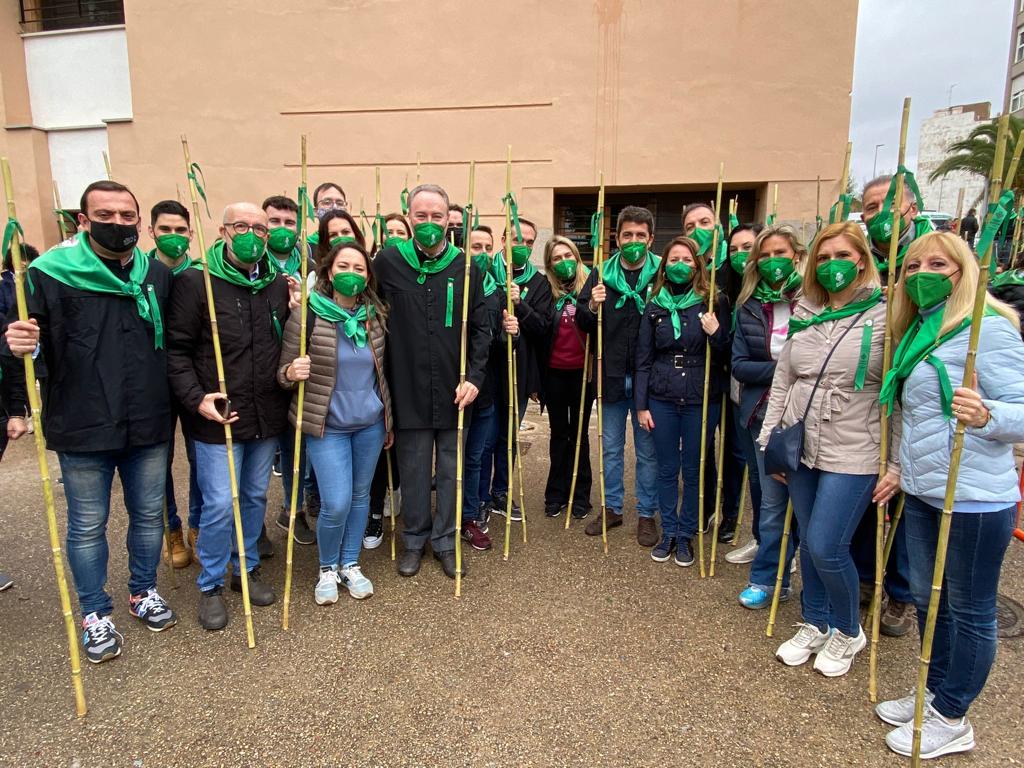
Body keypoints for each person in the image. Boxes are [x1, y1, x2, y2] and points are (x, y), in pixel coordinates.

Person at [4, 180, 178, 663]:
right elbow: (29, 344)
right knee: (87, 524)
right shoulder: (48, 275)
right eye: (106, 215)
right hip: (82, 422)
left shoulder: (154, 275)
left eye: (127, 216)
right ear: (82, 221)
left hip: (147, 420)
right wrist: (20, 343)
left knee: (148, 517)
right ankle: (94, 612)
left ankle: (143, 590)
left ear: (138, 223)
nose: (118, 224)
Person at [876, 232, 1024, 759]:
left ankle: (954, 712)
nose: (922, 273)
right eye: (912, 265)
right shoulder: (920, 330)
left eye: (937, 263)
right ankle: (932, 693)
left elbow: (1020, 409)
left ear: (963, 271)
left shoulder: (989, 331)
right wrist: (897, 467)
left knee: (968, 609)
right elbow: (915, 416)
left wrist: (990, 415)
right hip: (923, 490)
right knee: (926, 599)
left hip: (974, 497)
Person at [761, 221, 899, 677]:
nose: (832, 265)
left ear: (862, 259)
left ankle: (848, 629)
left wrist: (896, 461)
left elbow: (897, 392)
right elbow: (784, 379)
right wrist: (770, 440)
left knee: (826, 544)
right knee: (807, 538)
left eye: (842, 255)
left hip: (855, 446)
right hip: (801, 442)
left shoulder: (887, 313)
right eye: (823, 257)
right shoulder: (805, 310)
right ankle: (815, 620)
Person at [166, 202, 291, 630]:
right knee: (221, 503)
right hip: (218, 416)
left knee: (255, 496)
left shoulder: (276, 284)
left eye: (260, 228)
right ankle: (211, 584)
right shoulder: (196, 282)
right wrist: (196, 397)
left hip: (266, 413)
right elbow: (176, 351)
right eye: (243, 226)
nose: (253, 235)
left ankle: (246, 567)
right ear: (223, 231)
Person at [372, 184, 490, 578]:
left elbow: (481, 329)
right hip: (408, 386)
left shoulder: (467, 266)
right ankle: (415, 540)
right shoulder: (387, 263)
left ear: (448, 220)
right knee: (415, 469)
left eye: (436, 216)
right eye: (420, 216)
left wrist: (474, 377)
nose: (428, 223)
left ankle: (446, 540)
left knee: (453, 471)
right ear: (408, 217)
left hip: (456, 390)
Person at [278, 241, 392, 603]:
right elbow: (281, 374)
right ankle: (326, 568)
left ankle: (349, 563)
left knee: (360, 497)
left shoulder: (375, 315)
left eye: (360, 268)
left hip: (370, 424)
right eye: (344, 266)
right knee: (336, 501)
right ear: (329, 272)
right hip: (328, 426)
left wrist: (387, 418)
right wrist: (291, 372)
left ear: (368, 276)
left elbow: (382, 373)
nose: (352, 274)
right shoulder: (308, 314)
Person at [857, 173, 932, 637]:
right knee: (867, 496)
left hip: (915, 405)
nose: (879, 215)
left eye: (887, 204)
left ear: (911, 208)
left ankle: (901, 594)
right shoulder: (861, 265)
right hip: (867, 402)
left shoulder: (929, 262)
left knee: (905, 502)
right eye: (869, 208)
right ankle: (867, 577)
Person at [636, 235, 730, 566]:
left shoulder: (712, 300)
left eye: (687, 260)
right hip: (661, 396)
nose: (680, 265)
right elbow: (643, 358)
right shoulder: (655, 304)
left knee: (692, 469)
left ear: (697, 265)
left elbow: (727, 353)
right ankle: (670, 531)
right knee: (666, 468)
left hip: (699, 398)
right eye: (674, 259)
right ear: (664, 266)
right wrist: (641, 405)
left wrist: (716, 333)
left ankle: (687, 534)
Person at [577, 206, 660, 545]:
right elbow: (583, 324)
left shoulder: (661, 275)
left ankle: (646, 514)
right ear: (616, 238)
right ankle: (612, 508)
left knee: (647, 451)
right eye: (628, 235)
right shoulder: (600, 274)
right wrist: (593, 306)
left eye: (641, 236)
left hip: (648, 380)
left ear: (651, 239)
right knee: (610, 448)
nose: (634, 241)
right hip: (610, 374)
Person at [730, 226, 804, 607]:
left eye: (780, 252)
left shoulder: (814, 300)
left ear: (796, 254)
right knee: (772, 501)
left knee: (810, 507)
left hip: (812, 417)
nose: (772, 261)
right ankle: (769, 578)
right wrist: (785, 369)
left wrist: (791, 368)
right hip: (764, 414)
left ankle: (822, 591)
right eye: (765, 254)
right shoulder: (749, 306)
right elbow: (740, 364)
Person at [683, 203, 745, 542]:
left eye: (705, 223)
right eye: (690, 226)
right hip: (702, 376)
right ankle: (705, 506)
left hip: (736, 372)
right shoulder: (691, 269)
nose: (698, 231)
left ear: (719, 226)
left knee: (735, 450)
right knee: (702, 446)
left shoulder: (735, 267)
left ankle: (731, 514)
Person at [148, 200, 202, 568]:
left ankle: (199, 525)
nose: (173, 237)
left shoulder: (200, 275)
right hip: (154, 383)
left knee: (202, 458)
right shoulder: (140, 274)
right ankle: (171, 529)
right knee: (159, 461)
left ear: (191, 233)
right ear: (150, 231)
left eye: (180, 230)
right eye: (165, 230)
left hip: (197, 382)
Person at [488, 216, 553, 521]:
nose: (522, 246)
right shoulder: (484, 271)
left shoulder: (538, 282)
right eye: (517, 239)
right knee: (482, 437)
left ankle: (501, 492)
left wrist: (521, 305)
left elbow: (542, 327)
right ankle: (476, 496)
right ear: (503, 240)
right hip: (486, 371)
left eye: (529, 242)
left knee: (507, 437)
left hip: (520, 372)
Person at [261, 194, 316, 548]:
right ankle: (252, 532)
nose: (283, 229)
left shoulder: (310, 262)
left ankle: (293, 511)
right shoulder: (252, 264)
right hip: (262, 374)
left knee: (298, 452)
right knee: (260, 458)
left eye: (289, 222)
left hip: (301, 373)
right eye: (274, 222)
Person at [541, 236, 594, 519]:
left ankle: (581, 495)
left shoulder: (591, 287)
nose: (564, 262)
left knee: (580, 435)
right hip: (555, 374)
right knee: (559, 434)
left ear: (577, 256)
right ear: (550, 264)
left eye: (568, 255)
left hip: (582, 375)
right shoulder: (546, 291)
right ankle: (556, 493)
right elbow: (539, 333)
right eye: (557, 258)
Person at [723, 222, 765, 565]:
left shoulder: (783, 298)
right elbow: (737, 359)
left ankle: (778, 547)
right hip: (743, 396)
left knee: (773, 477)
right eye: (733, 249)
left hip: (778, 402)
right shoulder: (738, 294)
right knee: (753, 469)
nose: (741, 256)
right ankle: (762, 537)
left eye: (748, 248)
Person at [306, 182, 348, 250]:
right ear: (316, 211)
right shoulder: (306, 247)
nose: (334, 207)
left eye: (339, 203)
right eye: (327, 203)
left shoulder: (355, 243)